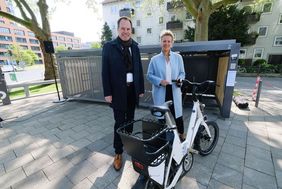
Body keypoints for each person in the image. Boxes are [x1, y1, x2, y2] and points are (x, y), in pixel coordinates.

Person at [102, 16, 144, 171]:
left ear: (131, 30)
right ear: (118, 29)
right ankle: (118, 152)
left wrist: (140, 89)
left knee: (131, 120)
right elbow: (105, 71)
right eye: (123, 28)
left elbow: (139, 68)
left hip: (132, 90)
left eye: (128, 29)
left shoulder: (135, 47)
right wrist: (107, 92)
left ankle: (129, 145)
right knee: (119, 123)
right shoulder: (109, 46)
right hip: (117, 92)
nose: (126, 31)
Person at [147, 30, 186, 141]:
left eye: (169, 41)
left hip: (174, 90)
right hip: (160, 90)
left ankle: (181, 134)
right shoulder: (154, 59)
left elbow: (182, 73)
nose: (166, 43)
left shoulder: (178, 58)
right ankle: (163, 137)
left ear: (172, 43)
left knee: (178, 115)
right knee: (161, 116)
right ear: (161, 42)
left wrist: (180, 79)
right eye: (164, 41)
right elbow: (149, 75)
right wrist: (159, 81)